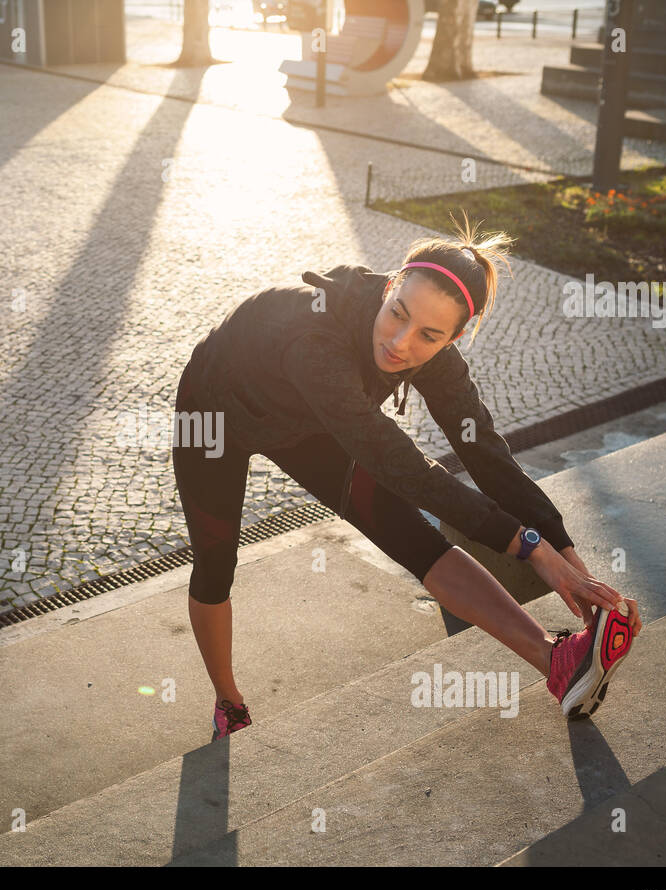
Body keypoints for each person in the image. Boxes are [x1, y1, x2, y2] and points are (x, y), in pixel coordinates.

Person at [172, 214, 642, 742]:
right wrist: (529, 547)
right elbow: (402, 464)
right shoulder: (314, 337)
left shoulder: (436, 358)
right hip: (213, 413)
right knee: (216, 561)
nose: (399, 343)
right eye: (397, 313)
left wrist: (580, 580)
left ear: (456, 337)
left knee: (409, 534)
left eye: (429, 335)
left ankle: (559, 665)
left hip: (309, 422)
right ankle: (229, 704)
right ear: (392, 284)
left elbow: (484, 452)